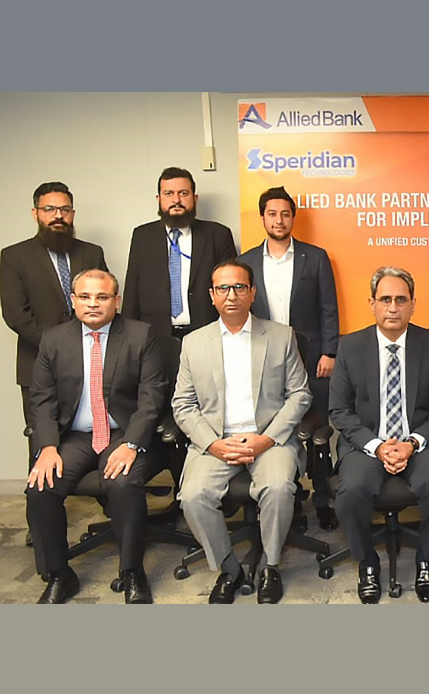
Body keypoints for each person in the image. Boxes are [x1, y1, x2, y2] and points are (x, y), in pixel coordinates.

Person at [173, 261, 312, 604]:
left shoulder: (280, 336)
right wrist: (213, 444)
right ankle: (228, 568)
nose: (231, 295)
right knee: (192, 495)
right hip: (216, 442)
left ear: (252, 293)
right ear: (212, 295)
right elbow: (183, 404)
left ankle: (270, 566)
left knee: (278, 487)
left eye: (239, 287)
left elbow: (300, 394)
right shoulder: (193, 343)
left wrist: (267, 438)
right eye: (223, 288)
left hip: (269, 440)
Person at [26, 269, 165, 604]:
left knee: (122, 482)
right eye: (85, 297)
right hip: (75, 437)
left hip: (124, 432)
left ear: (116, 301)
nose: (93, 304)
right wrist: (47, 447)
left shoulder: (141, 335)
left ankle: (131, 570)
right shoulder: (54, 339)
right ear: (73, 301)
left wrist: (132, 444)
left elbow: (152, 397)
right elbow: (41, 399)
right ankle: (59, 573)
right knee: (40, 487)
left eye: (102, 297)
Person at [329, 267, 429, 604]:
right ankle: (367, 562)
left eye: (401, 300)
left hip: (418, 441)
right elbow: (339, 411)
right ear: (372, 304)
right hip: (368, 442)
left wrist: (412, 443)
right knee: (351, 491)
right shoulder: (350, 346)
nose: (393, 308)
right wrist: (377, 446)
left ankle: (426, 558)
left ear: (413, 304)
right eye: (385, 299)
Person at [239, 186, 340, 530]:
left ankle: (323, 500)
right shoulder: (246, 262)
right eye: (272, 214)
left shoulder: (315, 257)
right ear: (262, 218)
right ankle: (290, 499)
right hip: (265, 360)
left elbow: (329, 307)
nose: (279, 220)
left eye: (285, 214)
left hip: (312, 360)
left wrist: (330, 351)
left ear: (293, 218)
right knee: (278, 429)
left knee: (318, 431)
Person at [2, 182, 109, 466]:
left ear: (72, 213)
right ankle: (41, 489)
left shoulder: (92, 253)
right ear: (35, 213)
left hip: (93, 360)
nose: (58, 215)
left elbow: (104, 301)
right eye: (49, 209)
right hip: (38, 362)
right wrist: (62, 346)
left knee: (94, 433)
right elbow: (16, 314)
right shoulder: (13, 256)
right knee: (42, 440)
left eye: (64, 209)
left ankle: (102, 487)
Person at [123, 167, 237, 339]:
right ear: (158, 199)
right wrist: (128, 339)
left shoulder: (218, 235)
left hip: (207, 333)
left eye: (183, 193)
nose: (176, 200)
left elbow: (231, 287)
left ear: (195, 198)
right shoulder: (143, 236)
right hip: (154, 336)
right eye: (168, 193)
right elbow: (132, 290)